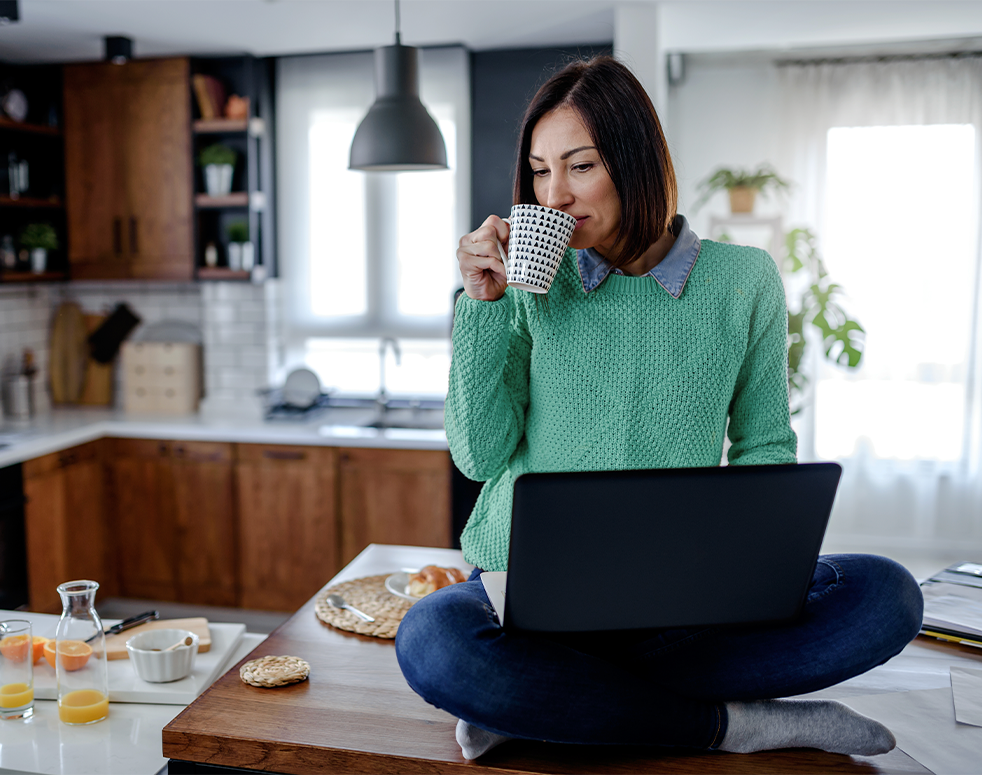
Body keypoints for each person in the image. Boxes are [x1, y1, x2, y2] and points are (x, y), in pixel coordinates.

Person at [394, 55, 922, 762]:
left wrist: (751, 563)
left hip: (685, 609)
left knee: (888, 595)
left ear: (636, 158)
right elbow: (480, 455)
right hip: (529, 605)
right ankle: (732, 724)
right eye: (540, 170)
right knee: (433, 641)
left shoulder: (743, 281)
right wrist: (483, 307)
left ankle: (544, 702)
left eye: (579, 165)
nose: (553, 195)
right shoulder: (527, 281)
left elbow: (764, 446)